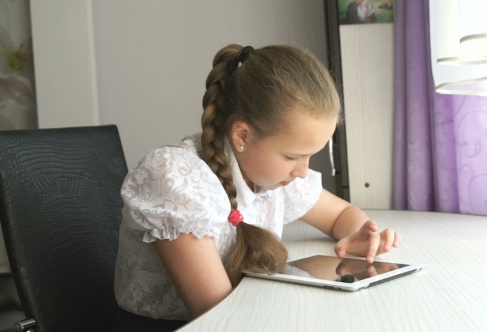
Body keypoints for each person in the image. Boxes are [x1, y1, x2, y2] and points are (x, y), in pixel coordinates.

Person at [114, 44, 401, 322]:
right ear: (242, 136)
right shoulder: (176, 178)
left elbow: (341, 215)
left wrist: (357, 236)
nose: (303, 171)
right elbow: (220, 318)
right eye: (293, 156)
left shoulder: (275, 174)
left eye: (310, 156)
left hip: (250, 311)